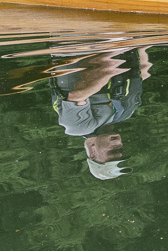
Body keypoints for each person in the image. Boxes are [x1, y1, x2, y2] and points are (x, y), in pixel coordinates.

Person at [50, 48, 151, 180]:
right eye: (120, 151)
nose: (119, 146)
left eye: (112, 152)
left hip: (74, 49)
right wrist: (141, 45)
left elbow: (77, 95)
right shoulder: (125, 113)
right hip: (118, 45)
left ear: (92, 153)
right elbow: (142, 73)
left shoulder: (77, 127)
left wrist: (112, 55)